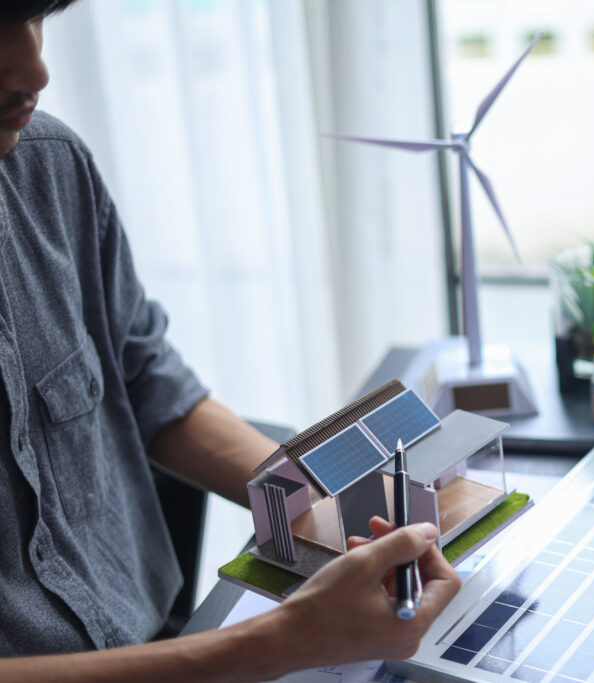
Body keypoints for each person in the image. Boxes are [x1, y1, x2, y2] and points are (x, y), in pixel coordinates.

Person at [0, 1, 460, 678]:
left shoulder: (52, 166)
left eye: (37, 20)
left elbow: (150, 383)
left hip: (168, 634)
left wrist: (331, 506)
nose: (36, 68)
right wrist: (286, 638)